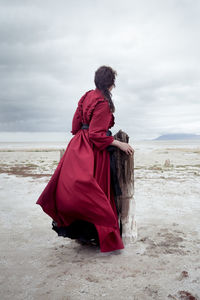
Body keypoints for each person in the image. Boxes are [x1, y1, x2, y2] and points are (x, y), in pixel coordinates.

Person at [36, 65, 134, 252]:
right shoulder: (103, 103)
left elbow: (75, 126)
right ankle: (100, 235)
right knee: (96, 194)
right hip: (93, 151)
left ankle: (84, 234)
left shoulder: (87, 95)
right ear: (110, 83)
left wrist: (85, 132)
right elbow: (97, 135)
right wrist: (118, 143)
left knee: (77, 191)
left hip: (78, 146)